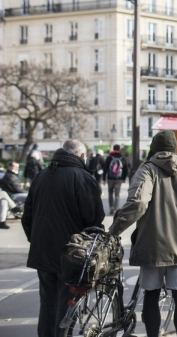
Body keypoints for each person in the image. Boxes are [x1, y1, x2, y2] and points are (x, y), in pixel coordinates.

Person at [109, 130, 177, 337]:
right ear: (174, 148)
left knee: (151, 294)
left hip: (152, 243)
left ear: (154, 147)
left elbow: (138, 203)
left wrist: (115, 229)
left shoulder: (147, 170)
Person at [22, 140, 104, 337]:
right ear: (82, 156)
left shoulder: (42, 175)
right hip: (72, 253)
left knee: (47, 302)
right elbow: (94, 219)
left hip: (43, 251)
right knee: (67, 302)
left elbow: (27, 217)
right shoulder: (82, 177)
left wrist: (37, 241)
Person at [103, 144, 129, 214]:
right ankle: (115, 209)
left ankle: (111, 207)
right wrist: (124, 178)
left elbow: (105, 168)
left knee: (110, 193)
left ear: (113, 148)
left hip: (110, 178)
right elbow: (125, 169)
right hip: (119, 178)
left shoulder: (109, 157)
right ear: (119, 149)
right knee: (117, 194)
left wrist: (104, 179)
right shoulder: (122, 157)